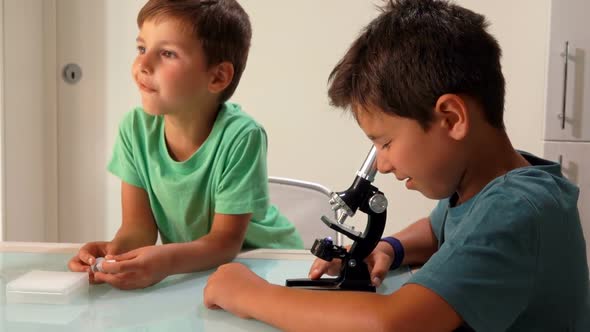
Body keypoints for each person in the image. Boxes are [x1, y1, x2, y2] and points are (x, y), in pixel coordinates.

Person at [203, 0, 590, 330]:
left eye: (385, 143)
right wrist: (390, 248)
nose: (383, 165)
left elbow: (392, 323)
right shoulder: (491, 186)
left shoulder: (516, 209)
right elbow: (439, 230)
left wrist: (249, 293)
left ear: (452, 118)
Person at [68, 0, 303, 290]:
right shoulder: (134, 129)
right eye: (142, 48)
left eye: (167, 53)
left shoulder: (242, 136)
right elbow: (138, 229)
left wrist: (164, 262)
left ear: (217, 77)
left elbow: (224, 243)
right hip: (202, 272)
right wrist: (114, 255)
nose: (142, 64)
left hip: (269, 267)